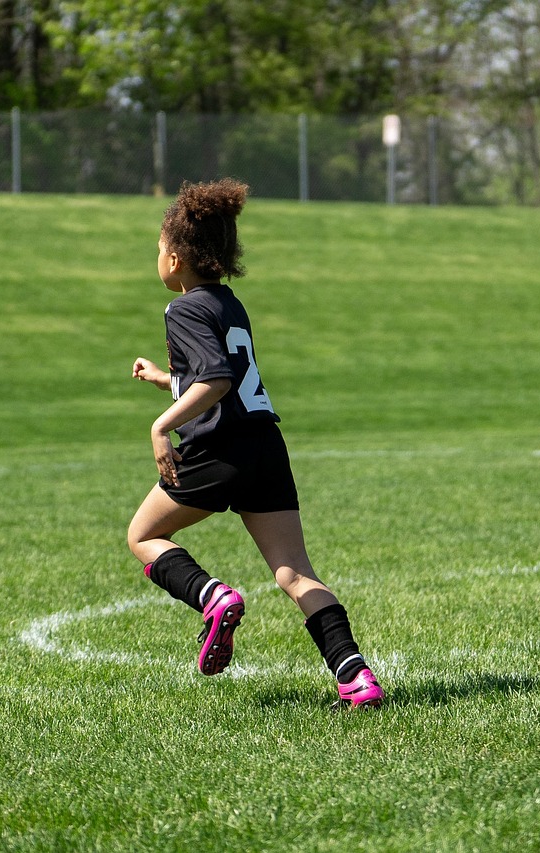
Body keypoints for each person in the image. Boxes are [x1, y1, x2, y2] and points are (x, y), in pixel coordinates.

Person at [126, 178, 385, 710]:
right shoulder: (227, 303)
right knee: (294, 572)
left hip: (218, 449)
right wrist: (164, 380)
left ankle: (212, 597)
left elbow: (216, 380)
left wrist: (159, 427)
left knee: (143, 535)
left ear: (174, 259)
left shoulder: (181, 310)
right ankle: (356, 678)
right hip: (265, 445)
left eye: (157, 249)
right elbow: (224, 379)